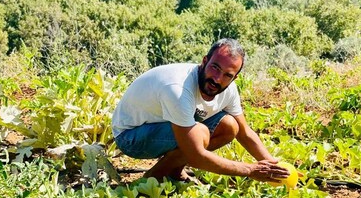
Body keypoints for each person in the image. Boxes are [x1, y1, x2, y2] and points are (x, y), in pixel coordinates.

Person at [112, 38, 290, 183]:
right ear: (204, 61)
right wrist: (249, 170)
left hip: (161, 126)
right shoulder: (178, 88)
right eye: (215, 68)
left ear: (235, 78)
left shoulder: (229, 89)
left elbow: (244, 132)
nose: (217, 79)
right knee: (200, 133)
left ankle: (173, 171)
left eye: (228, 75)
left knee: (230, 126)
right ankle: (152, 178)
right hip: (130, 137)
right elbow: (196, 155)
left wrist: (274, 166)